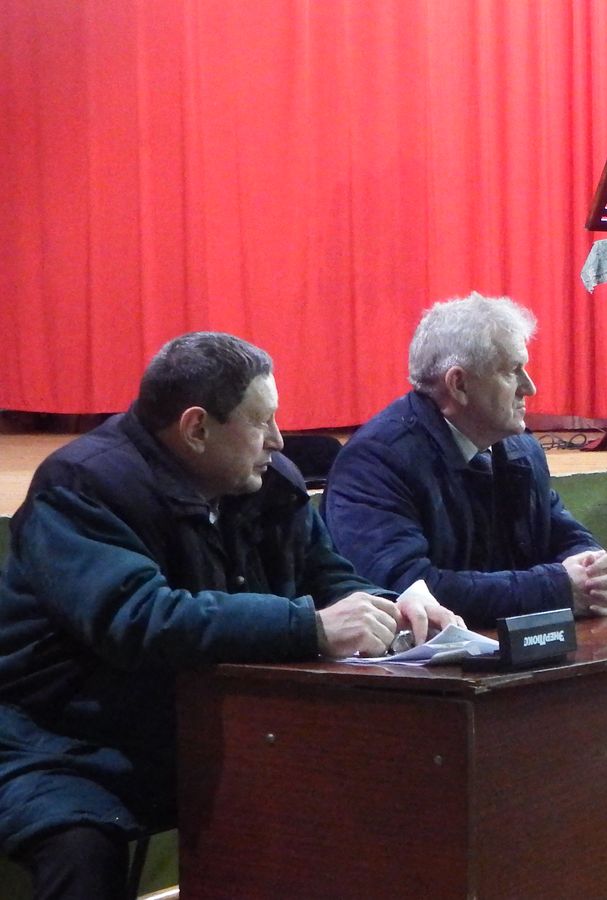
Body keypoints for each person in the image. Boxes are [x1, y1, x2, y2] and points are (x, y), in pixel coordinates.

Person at [0, 332, 458, 899]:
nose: (279, 440)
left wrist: (392, 607)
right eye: (261, 422)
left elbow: (329, 579)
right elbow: (141, 620)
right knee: (81, 851)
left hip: (204, 734)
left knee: (356, 796)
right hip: (58, 745)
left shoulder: (270, 483)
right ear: (196, 428)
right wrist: (309, 627)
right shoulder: (82, 486)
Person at [323, 293, 607, 627]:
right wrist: (556, 588)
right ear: (458, 384)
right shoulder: (375, 462)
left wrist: (592, 570)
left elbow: (561, 532)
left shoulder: (520, 448)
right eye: (512, 371)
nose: (529, 388)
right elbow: (408, 589)